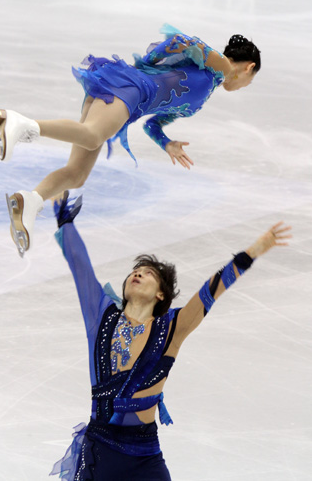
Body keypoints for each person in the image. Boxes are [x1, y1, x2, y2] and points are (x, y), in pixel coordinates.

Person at [49, 192, 290, 481]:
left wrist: (251, 252)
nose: (137, 274)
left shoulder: (170, 329)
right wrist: (65, 222)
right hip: (101, 454)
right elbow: (81, 268)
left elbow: (208, 294)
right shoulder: (101, 317)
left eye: (147, 273)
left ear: (161, 293)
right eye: (134, 272)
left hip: (144, 458)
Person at [0, 24, 261, 254]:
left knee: (77, 173)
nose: (243, 87)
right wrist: (145, 67)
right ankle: (18, 124)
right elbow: (181, 40)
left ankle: (30, 202)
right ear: (248, 68)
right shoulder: (221, 67)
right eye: (250, 81)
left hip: (129, 96)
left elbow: (154, 123)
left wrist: (167, 143)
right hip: (131, 87)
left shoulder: (207, 88)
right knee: (92, 136)